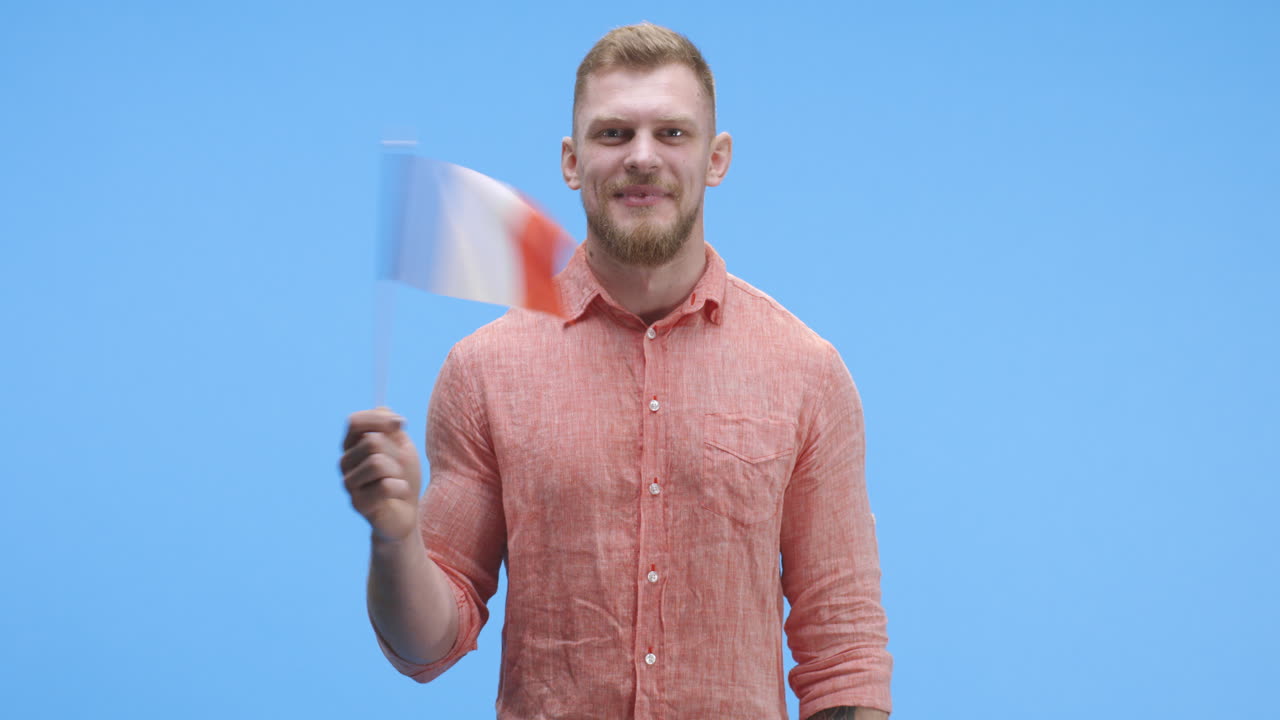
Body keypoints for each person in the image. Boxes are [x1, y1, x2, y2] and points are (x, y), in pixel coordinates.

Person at [340, 23, 892, 720]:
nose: (642, 157)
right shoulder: (484, 371)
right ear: (572, 162)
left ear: (716, 158)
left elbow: (844, 654)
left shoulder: (806, 372)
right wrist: (394, 538)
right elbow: (425, 647)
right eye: (613, 134)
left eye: (672, 133)